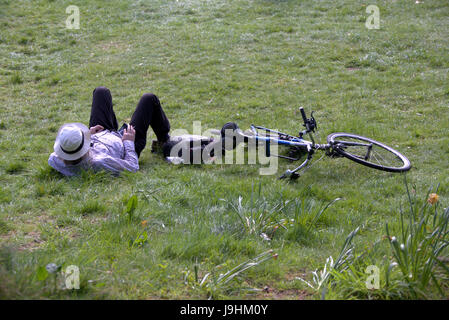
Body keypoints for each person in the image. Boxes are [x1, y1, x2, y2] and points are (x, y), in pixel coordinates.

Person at [48, 86, 171, 176]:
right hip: (125, 142)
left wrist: (88, 135)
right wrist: (128, 142)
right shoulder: (99, 162)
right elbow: (132, 167)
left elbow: (63, 152)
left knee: (101, 92)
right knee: (149, 99)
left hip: (100, 134)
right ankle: (163, 141)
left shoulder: (55, 159)